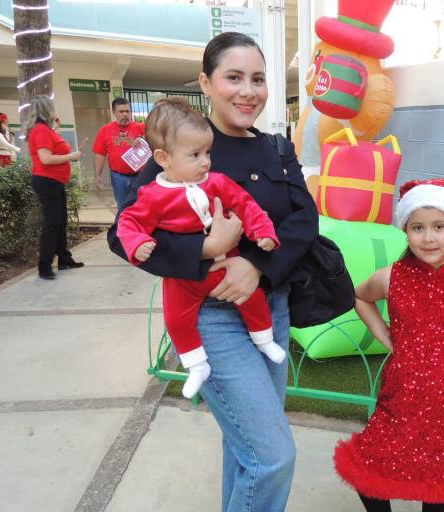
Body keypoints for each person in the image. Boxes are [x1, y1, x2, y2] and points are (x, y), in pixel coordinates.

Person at [107, 32, 318, 511]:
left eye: (259, 79)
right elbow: (123, 233)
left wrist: (257, 265)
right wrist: (206, 248)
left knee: (247, 448)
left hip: (270, 310)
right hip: (212, 319)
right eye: (234, 77)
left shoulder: (277, 149)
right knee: (272, 455)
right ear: (206, 83)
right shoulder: (180, 147)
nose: (249, 91)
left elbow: (304, 220)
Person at [334, 178, 444, 512]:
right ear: (406, 230)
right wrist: (384, 334)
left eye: (439, 226)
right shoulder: (393, 276)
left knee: (439, 478)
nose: (428, 237)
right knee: (369, 470)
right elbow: (360, 296)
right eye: (418, 227)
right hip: (401, 402)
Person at [116, 97, 286, 400]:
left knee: (252, 297)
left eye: (207, 152)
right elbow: (128, 222)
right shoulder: (153, 195)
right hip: (185, 278)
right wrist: (137, 242)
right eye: (195, 154)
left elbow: (247, 206)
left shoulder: (216, 182)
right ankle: (196, 364)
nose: (206, 161)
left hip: (227, 266)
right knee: (176, 319)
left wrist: (262, 231)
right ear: (163, 157)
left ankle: (264, 339)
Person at [25, 96, 85, 280]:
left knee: (60, 222)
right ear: (47, 109)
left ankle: (64, 259)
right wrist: (72, 157)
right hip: (47, 181)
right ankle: (44, 266)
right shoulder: (41, 130)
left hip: (54, 182)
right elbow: (46, 158)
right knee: (52, 224)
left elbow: (53, 148)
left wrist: (56, 129)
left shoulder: (45, 130)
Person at [92, 97, 146, 206]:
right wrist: (98, 176)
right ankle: (123, 223)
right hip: (118, 177)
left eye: (127, 111)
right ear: (114, 113)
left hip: (139, 176)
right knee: (122, 206)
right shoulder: (105, 130)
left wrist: (142, 139)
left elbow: (155, 142)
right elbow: (100, 154)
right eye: (121, 111)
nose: (125, 114)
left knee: (140, 206)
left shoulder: (141, 128)